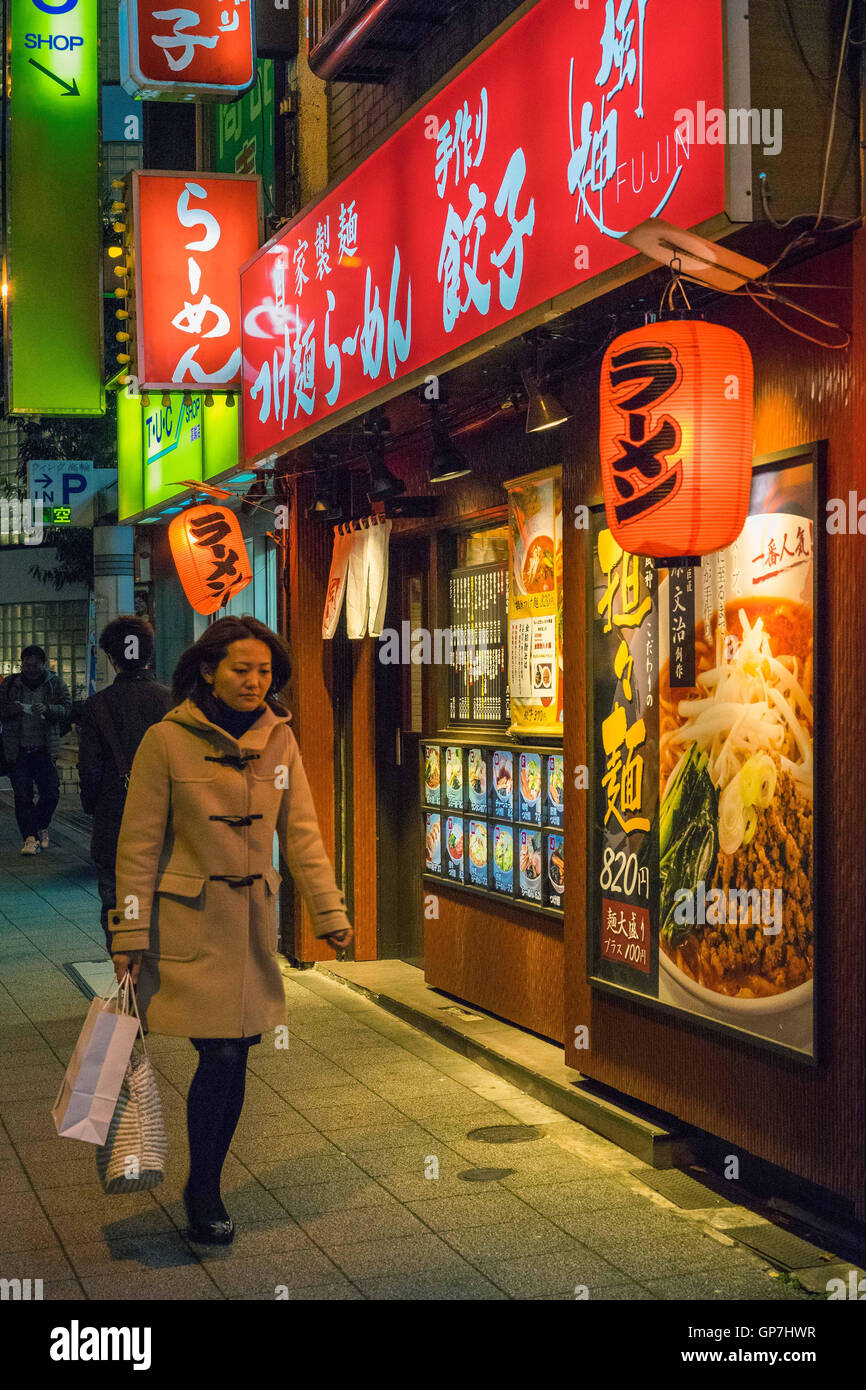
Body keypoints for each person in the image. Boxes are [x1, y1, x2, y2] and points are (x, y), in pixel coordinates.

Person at [109, 615, 353, 1246]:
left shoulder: (280, 740)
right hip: (187, 925)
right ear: (209, 670)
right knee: (219, 1052)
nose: (253, 682)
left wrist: (329, 913)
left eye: (264, 671)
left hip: (248, 927)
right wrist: (129, 936)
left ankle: (204, 1182)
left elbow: (300, 832)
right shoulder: (167, 740)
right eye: (241, 669)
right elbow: (137, 845)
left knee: (235, 1054)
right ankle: (206, 1190)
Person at [77, 617, 172, 950]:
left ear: (112, 657)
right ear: (147, 652)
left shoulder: (96, 706)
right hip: (167, 825)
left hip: (115, 823)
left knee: (119, 905)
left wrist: (97, 807)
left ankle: (127, 975)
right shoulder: (172, 701)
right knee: (168, 906)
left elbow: (88, 772)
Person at [0, 646, 71, 855]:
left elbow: (67, 709)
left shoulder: (54, 683)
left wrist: (48, 709)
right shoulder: (11, 684)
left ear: (43, 664)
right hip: (18, 749)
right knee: (22, 796)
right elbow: (1, 709)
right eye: (26, 665)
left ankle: (39, 824)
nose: (29, 669)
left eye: (34, 665)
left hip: (44, 748)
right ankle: (30, 838)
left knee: (51, 793)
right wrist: (11, 710)